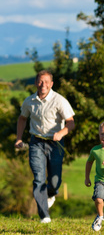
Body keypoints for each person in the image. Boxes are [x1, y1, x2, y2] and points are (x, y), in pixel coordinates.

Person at [14, 70, 75, 224]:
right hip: (36, 143)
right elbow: (22, 119)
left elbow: (71, 122)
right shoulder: (29, 101)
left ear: (52, 84)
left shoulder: (60, 101)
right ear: (36, 83)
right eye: (40, 81)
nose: (43, 85)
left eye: (47, 82)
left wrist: (61, 133)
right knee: (39, 178)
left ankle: (51, 193)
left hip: (55, 144)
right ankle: (44, 216)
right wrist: (19, 138)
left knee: (54, 181)